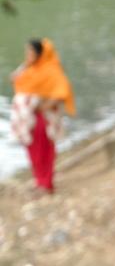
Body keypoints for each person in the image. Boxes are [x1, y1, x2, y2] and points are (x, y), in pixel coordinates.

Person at [10, 38, 75, 194]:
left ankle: (46, 184)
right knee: (32, 150)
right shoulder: (29, 69)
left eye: (31, 51)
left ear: (39, 53)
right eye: (27, 51)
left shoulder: (50, 70)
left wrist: (40, 107)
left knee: (44, 151)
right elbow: (16, 80)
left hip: (43, 119)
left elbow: (61, 93)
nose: (28, 54)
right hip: (28, 119)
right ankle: (39, 180)